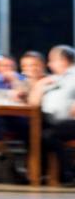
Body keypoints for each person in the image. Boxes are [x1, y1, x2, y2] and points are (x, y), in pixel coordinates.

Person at [29, 45, 75, 183]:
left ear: (64, 61)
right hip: (54, 121)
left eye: (52, 60)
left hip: (71, 121)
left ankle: (68, 174)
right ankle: (40, 174)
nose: (49, 64)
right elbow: (33, 103)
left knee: (48, 135)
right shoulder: (56, 79)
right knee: (32, 132)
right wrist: (40, 84)